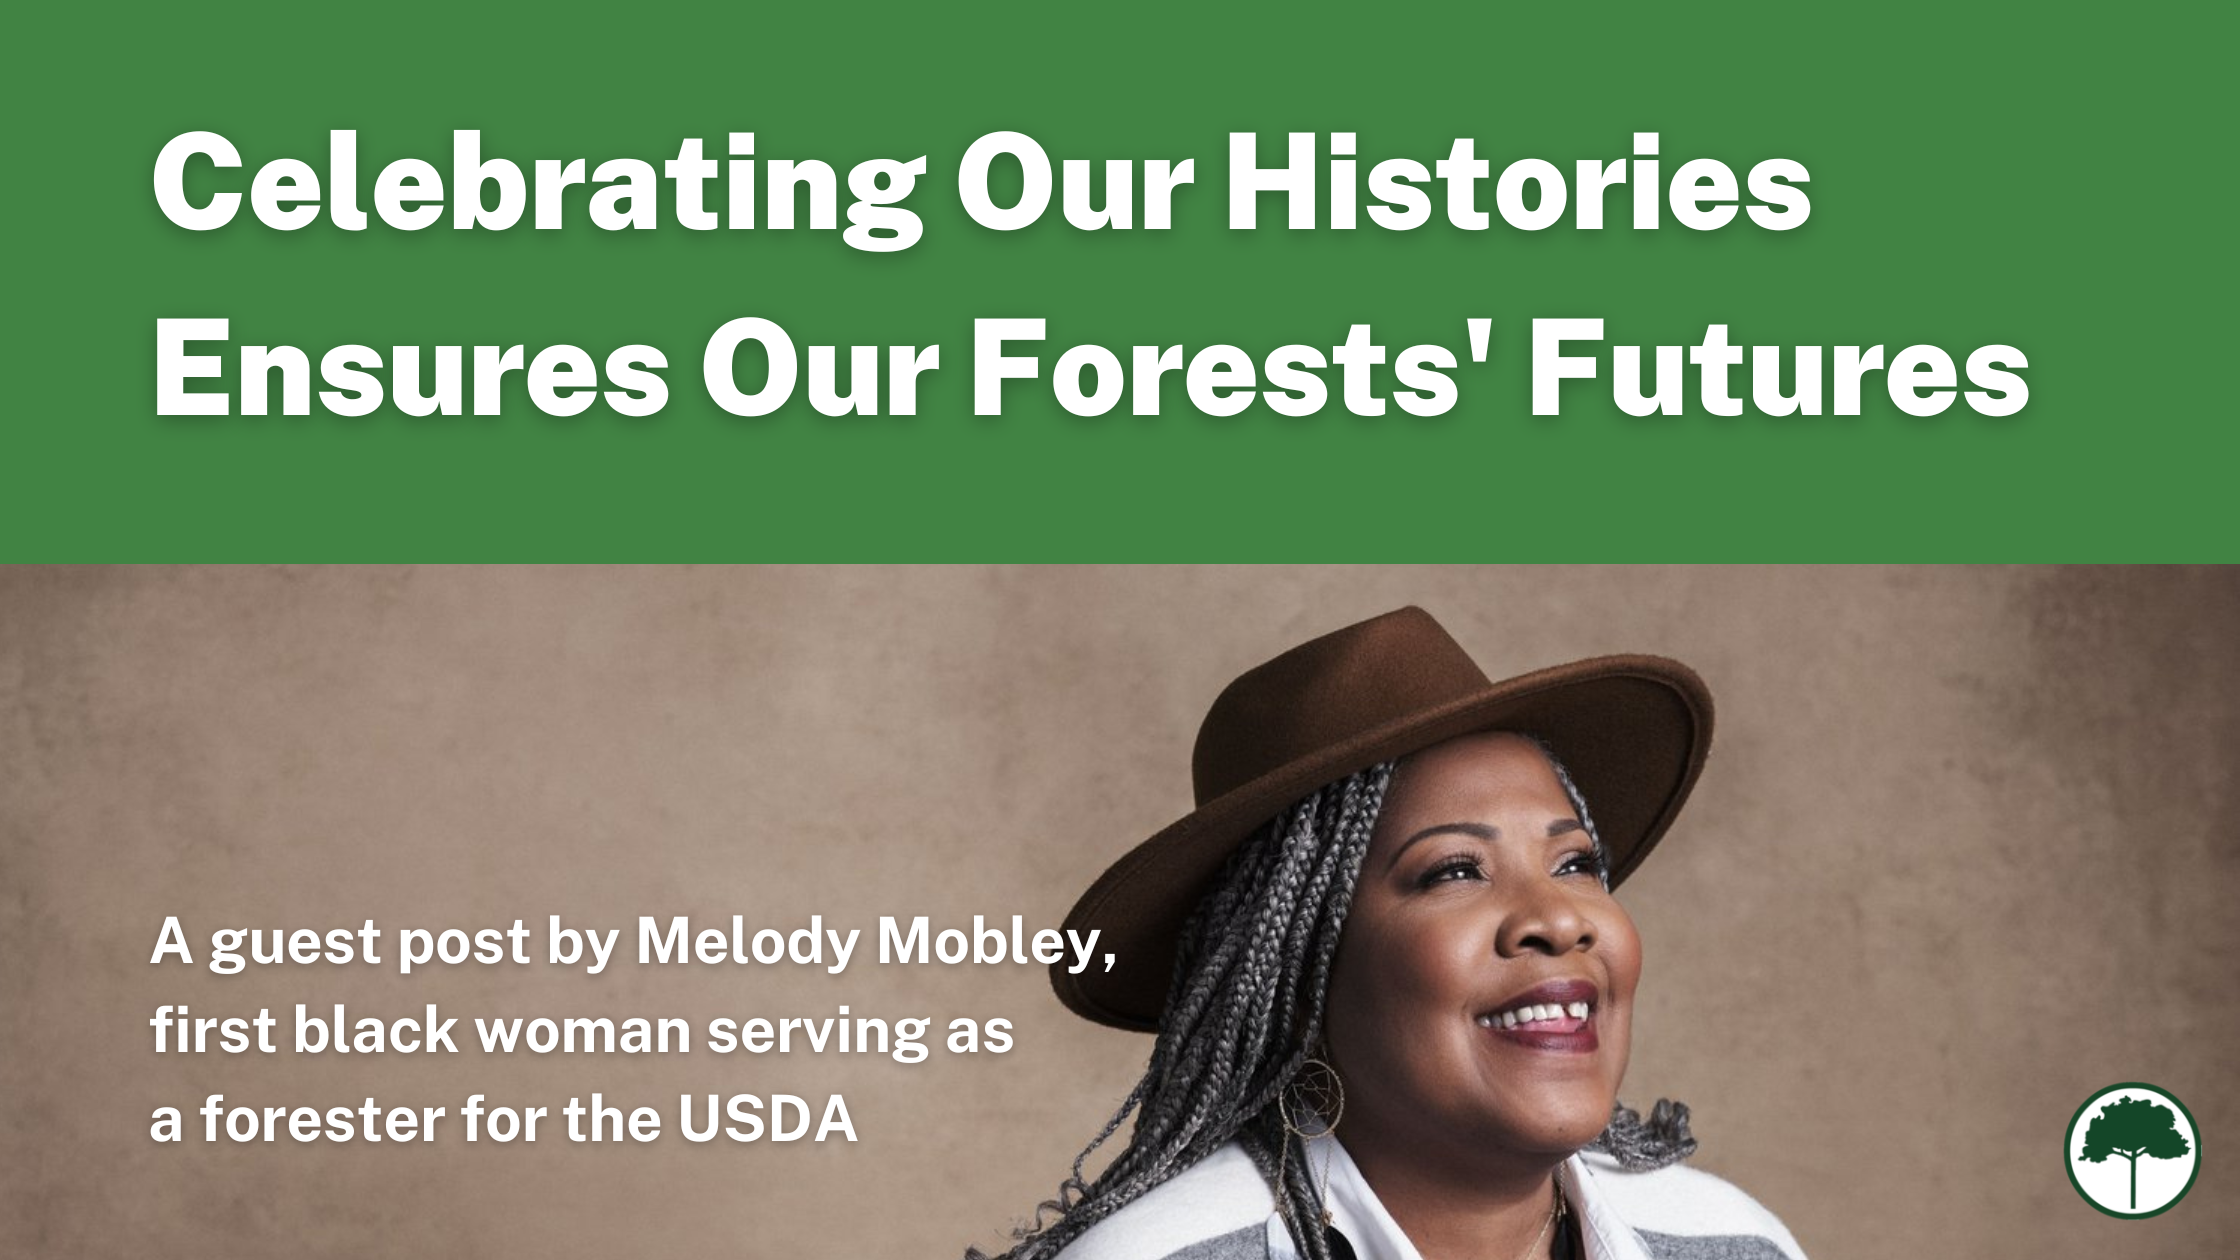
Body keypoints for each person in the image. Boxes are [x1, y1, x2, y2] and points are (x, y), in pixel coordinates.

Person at [972, 607, 1807, 1260]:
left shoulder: (1730, 1241)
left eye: (1575, 863)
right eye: (1453, 871)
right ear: (1303, 969)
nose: (1557, 920)